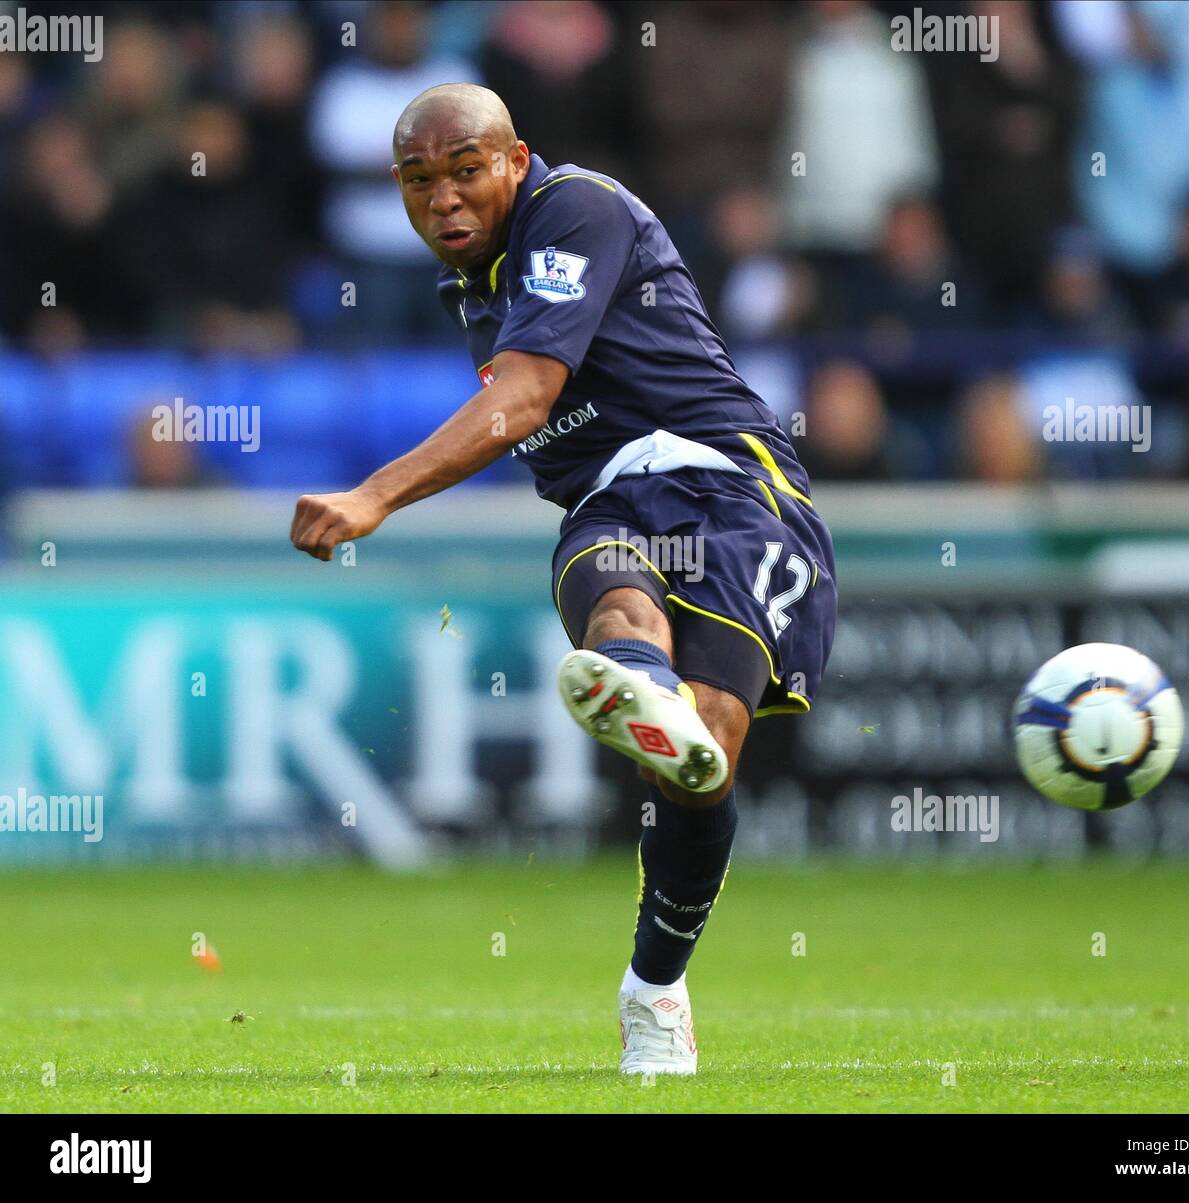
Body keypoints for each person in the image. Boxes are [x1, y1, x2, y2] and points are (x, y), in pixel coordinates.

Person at [290, 84, 837, 1075]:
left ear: (514, 159)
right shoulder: (474, 285)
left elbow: (528, 393)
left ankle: (654, 986)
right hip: (612, 503)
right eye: (419, 182)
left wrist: (375, 496)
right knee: (616, 590)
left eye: (465, 172)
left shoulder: (575, 209)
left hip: (731, 485)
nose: (444, 200)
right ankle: (636, 675)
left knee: (704, 757)